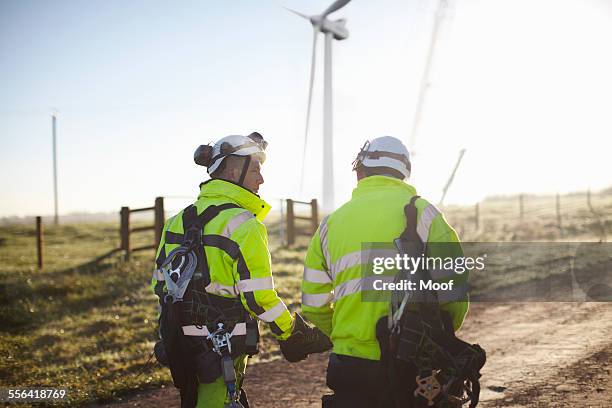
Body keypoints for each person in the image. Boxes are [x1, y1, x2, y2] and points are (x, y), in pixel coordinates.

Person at [151, 132, 330, 408]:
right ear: (235, 171)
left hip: (179, 344)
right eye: (256, 170)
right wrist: (292, 332)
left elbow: (160, 285)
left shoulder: (176, 221)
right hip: (221, 348)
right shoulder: (245, 224)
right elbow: (258, 297)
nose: (261, 179)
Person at [301, 136, 471, 407]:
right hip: (412, 363)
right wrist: (437, 340)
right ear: (404, 173)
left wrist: (345, 333)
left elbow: (313, 303)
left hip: (348, 362)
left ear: (360, 171)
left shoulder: (330, 223)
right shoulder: (425, 215)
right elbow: (455, 294)